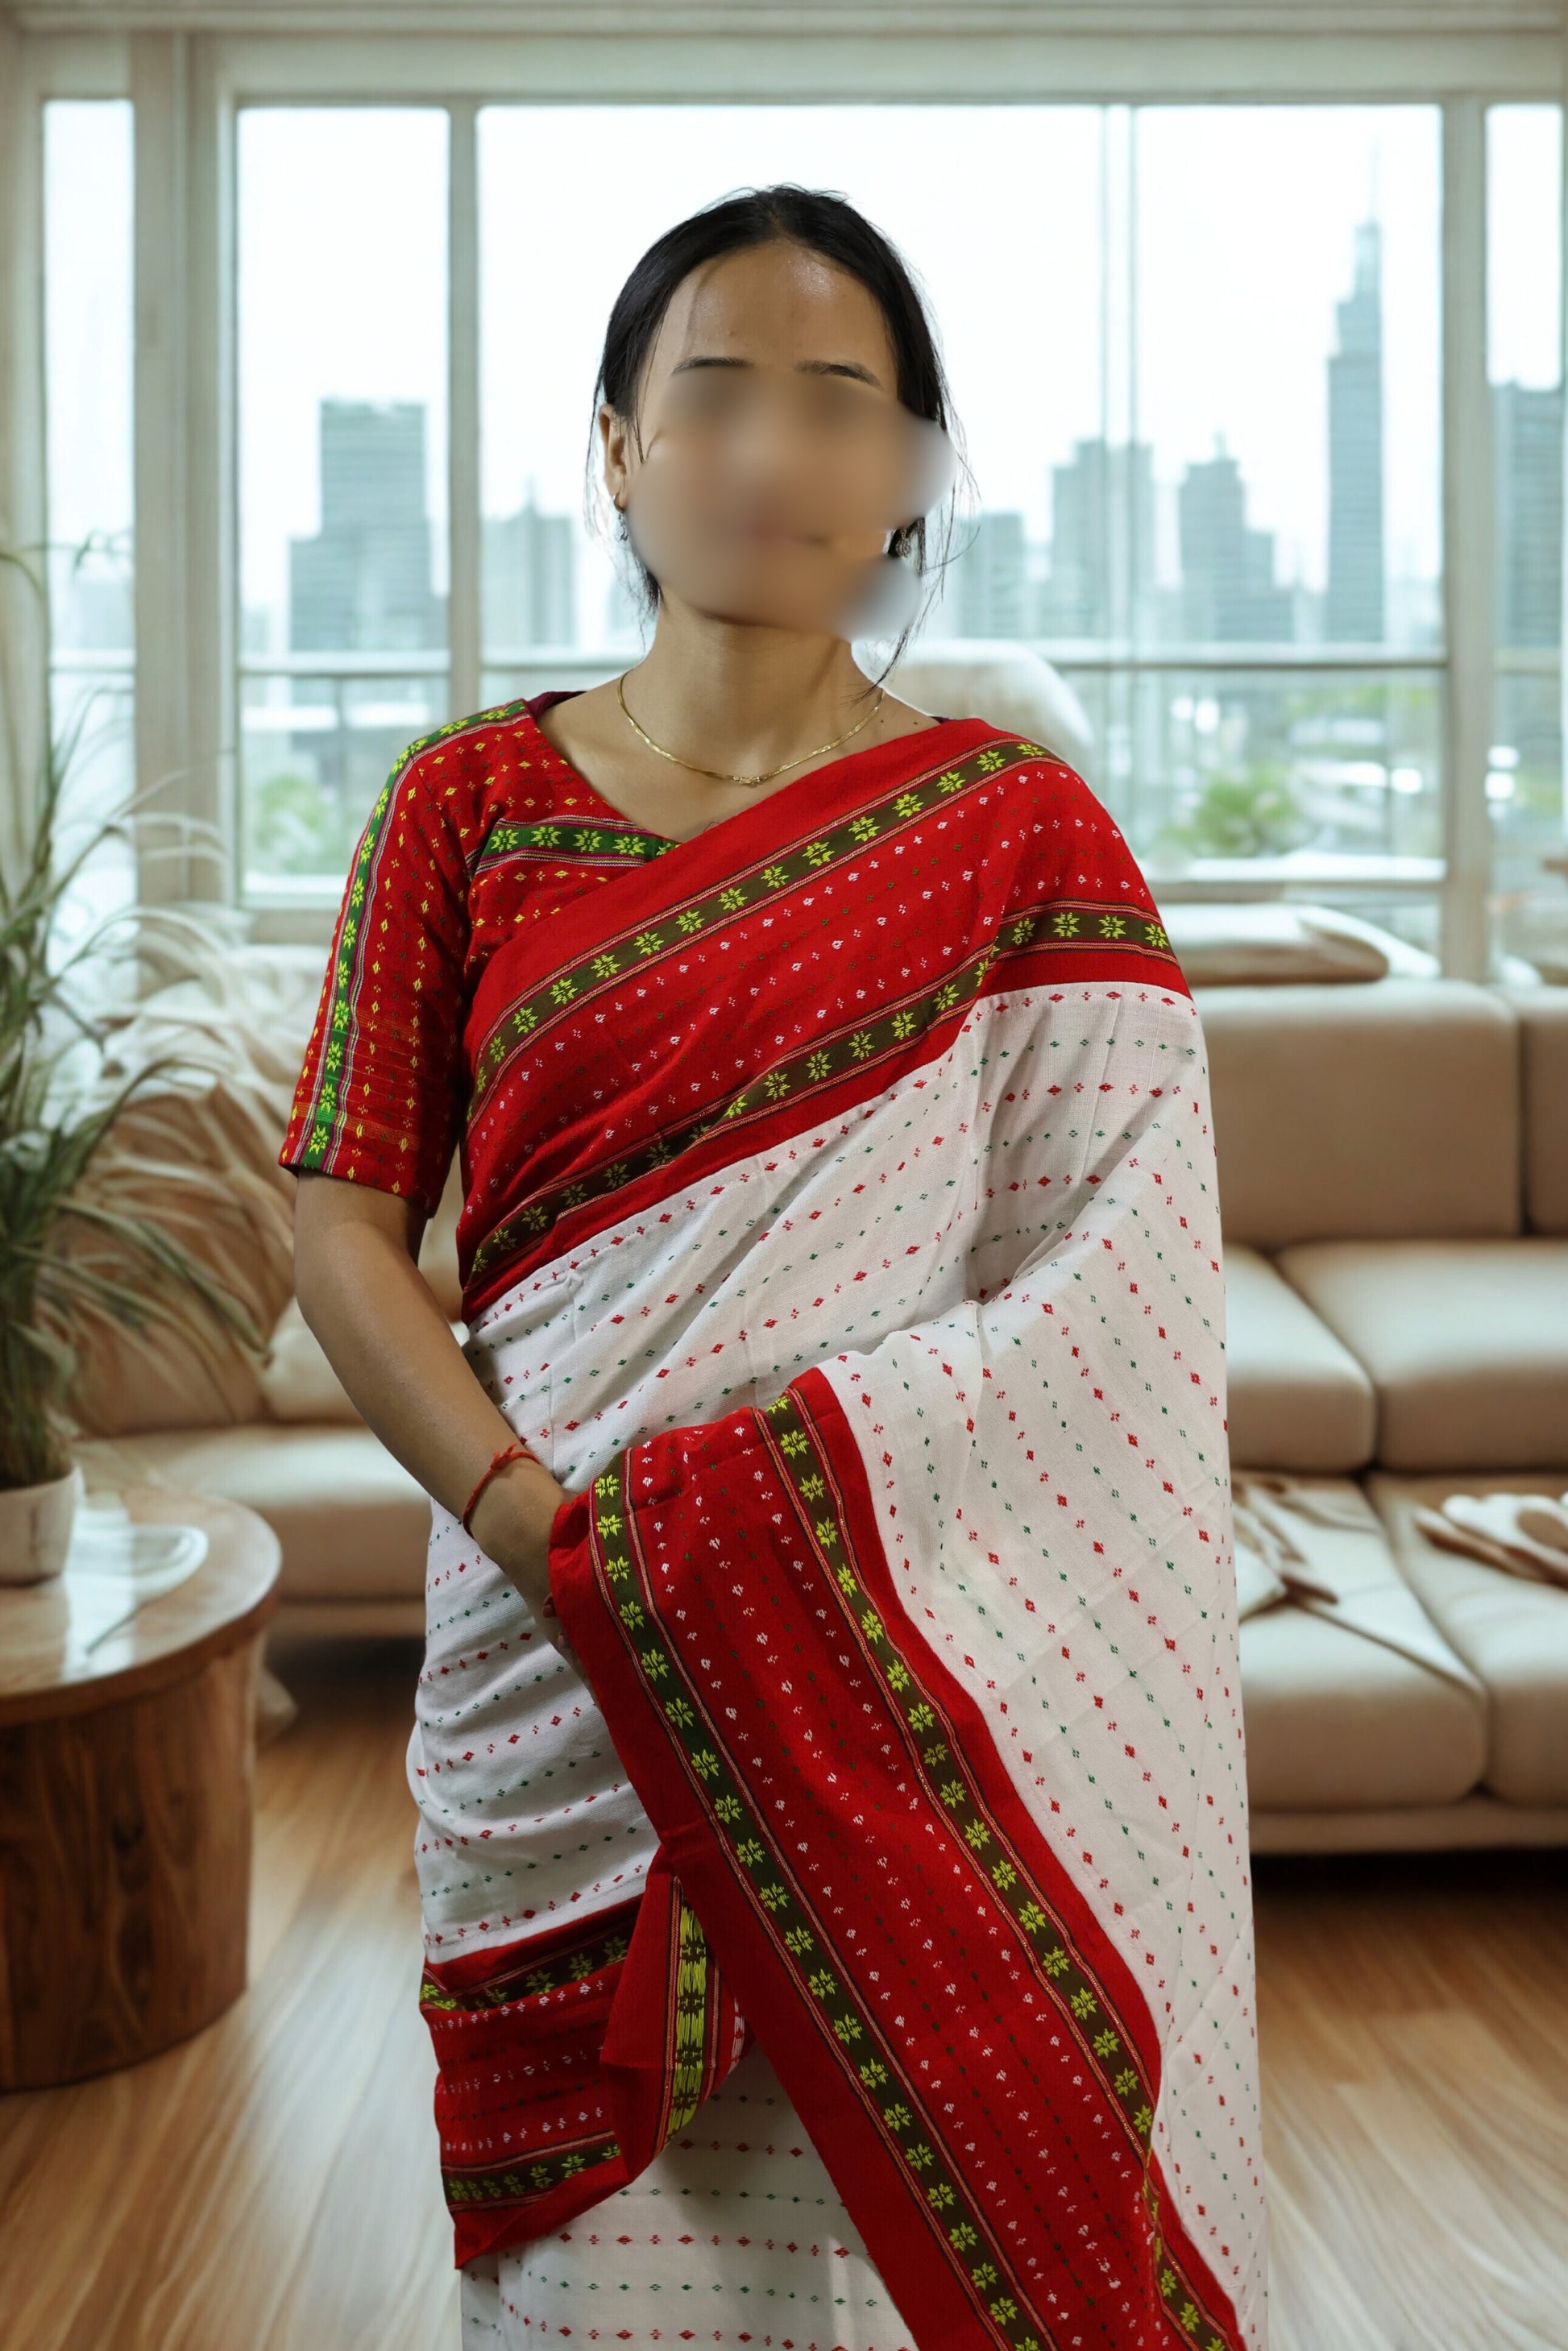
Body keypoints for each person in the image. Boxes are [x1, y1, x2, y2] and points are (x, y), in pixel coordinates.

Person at [280, 184, 1270, 2351]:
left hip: (890, 1675)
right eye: (712, 393)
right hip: (552, 1658)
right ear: (617, 448)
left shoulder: (1017, 831)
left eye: (836, 401)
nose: (767, 452)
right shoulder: (465, 804)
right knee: (591, 2272)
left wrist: (767, 1522)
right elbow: (340, 1213)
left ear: (912, 465)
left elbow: (1119, 1291)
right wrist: (527, 1522)